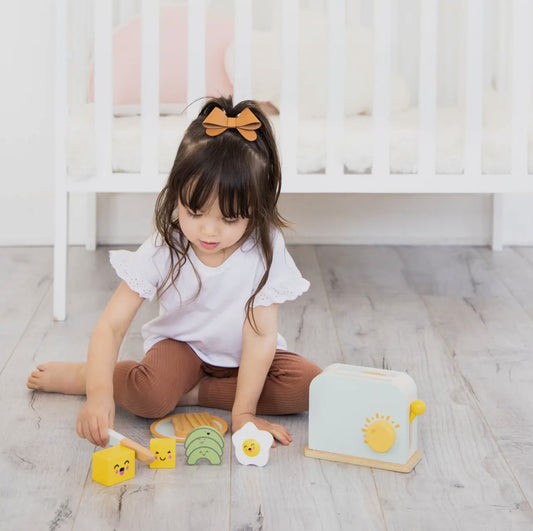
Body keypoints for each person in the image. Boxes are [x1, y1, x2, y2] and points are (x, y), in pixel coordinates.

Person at [27, 97, 321, 448]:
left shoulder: (265, 246)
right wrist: (99, 394)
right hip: (182, 349)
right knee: (149, 398)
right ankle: (87, 375)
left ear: (255, 210)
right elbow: (112, 325)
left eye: (229, 219)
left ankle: (194, 394)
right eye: (195, 212)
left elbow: (260, 337)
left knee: (310, 387)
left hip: (243, 359)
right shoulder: (166, 247)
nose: (208, 232)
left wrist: (243, 415)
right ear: (176, 193)